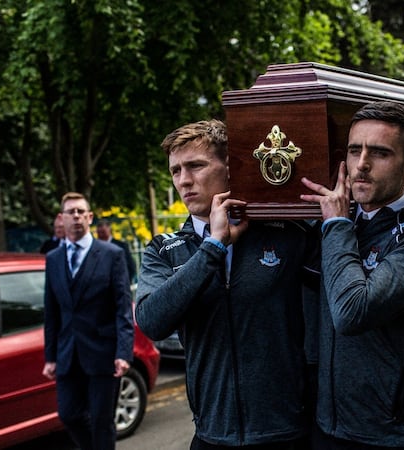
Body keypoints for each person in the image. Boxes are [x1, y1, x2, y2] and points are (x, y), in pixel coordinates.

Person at [134, 120, 320, 449]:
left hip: (287, 431)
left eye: (196, 166)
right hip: (211, 435)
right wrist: (213, 247)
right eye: (175, 171)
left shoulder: (287, 233)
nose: (184, 181)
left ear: (231, 166)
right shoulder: (164, 248)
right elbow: (152, 321)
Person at [300, 101, 404, 449]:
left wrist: (337, 224)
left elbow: (353, 312)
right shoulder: (335, 227)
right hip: (331, 428)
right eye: (354, 150)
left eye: (380, 153)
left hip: (402, 435)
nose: (362, 165)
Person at [42, 192, 134, 450]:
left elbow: (123, 308)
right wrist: (50, 356)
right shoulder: (53, 259)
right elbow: (51, 312)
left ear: (90, 217)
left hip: (103, 355)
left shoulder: (111, 255)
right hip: (67, 355)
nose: (76, 217)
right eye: (71, 212)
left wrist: (123, 352)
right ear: (61, 218)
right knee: (68, 415)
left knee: (102, 422)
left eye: (81, 212)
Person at [95, 218, 137, 283]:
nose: (100, 234)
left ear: (109, 229)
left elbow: (131, 266)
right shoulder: (94, 248)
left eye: (103, 231)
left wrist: (125, 283)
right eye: (99, 232)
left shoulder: (121, 246)